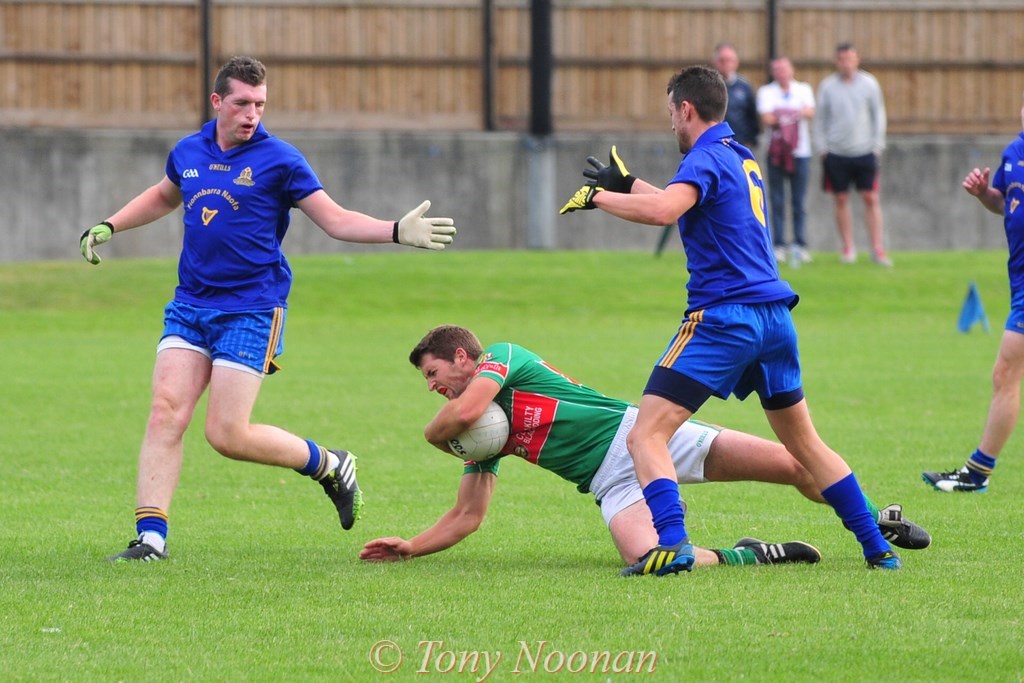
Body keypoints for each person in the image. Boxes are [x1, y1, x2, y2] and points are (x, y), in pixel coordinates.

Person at [79, 56, 457, 562]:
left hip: (252, 308)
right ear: (217, 102)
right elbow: (165, 195)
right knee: (164, 412)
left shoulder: (281, 159)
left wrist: (394, 230)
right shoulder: (188, 151)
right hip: (190, 304)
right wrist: (110, 225)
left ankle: (329, 464)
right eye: (241, 103)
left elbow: (336, 220)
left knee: (226, 435)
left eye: (259, 104)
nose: (251, 114)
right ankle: (150, 541)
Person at [558, 64, 902, 574]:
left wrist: (598, 197)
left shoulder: (702, 158)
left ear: (686, 109)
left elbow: (665, 212)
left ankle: (672, 544)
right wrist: (629, 181)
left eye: (671, 112)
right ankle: (879, 549)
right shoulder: (739, 158)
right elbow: (686, 202)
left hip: (725, 319)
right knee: (805, 443)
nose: (670, 122)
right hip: (775, 321)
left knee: (645, 435)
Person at [359, 326, 929, 571]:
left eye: (434, 373)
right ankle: (752, 554)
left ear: (463, 357)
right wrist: (411, 546)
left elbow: (454, 415)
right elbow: (467, 516)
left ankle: (875, 523)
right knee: (644, 558)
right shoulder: (488, 433)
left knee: (791, 465)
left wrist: (432, 435)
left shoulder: (504, 358)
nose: (434, 388)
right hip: (613, 483)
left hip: (648, 437)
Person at [923, 90, 1024, 493]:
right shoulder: (1014, 150)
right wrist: (985, 193)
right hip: (1018, 281)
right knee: (1006, 374)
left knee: (1006, 372)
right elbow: (1006, 204)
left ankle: (977, 474)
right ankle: (977, 472)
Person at [813, 42, 891, 266]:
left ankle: (877, 248)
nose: (846, 63)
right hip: (836, 153)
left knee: (871, 198)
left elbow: (879, 115)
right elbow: (820, 119)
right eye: (842, 59)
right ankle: (848, 248)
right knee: (841, 198)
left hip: (865, 151)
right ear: (836, 61)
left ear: (857, 59)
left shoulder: (870, 84)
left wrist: (877, 146)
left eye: (850, 58)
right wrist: (823, 148)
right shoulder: (828, 86)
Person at [757, 57, 816, 266]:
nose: (781, 73)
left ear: (792, 70)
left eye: (784, 69)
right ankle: (779, 244)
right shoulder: (766, 92)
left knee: (799, 201)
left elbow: (809, 111)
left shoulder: (804, 89)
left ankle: (800, 244)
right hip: (775, 153)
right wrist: (792, 113)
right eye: (777, 70)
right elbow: (766, 118)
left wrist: (783, 114)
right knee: (777, 200)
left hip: (800, 152)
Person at [713, 43, 760, 150]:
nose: (725, 64)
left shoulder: (745, 87)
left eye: (729, 60)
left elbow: (752, 116)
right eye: (722, 60)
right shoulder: (707, 87)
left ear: (736, 62)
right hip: (715, 145)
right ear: (715, 62)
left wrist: (751, 140)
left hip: (739, 144)